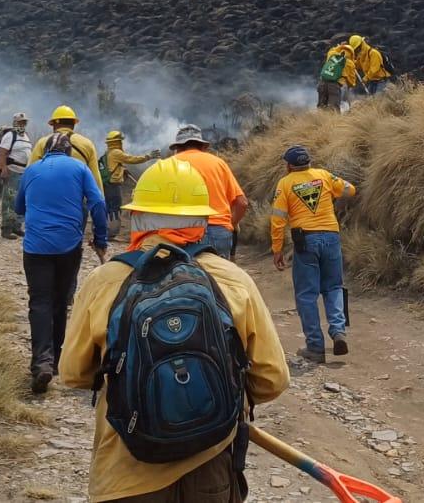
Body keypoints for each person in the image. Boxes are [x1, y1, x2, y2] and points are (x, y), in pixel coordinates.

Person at [60, 158, 289, 502]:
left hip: (126, 472)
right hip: (210, 469)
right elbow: (272, 379)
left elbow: (74, 374)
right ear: (202, 221)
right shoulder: (232, 279)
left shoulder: (103, 281)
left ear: (138, 217)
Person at [14, 132, 109, 395]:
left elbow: (18, 207)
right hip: (68, 246)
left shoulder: (31, 171)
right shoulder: (79, 168)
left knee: (39, 302)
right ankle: (55, 362)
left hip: (35, 248)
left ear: (45, 151)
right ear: (68, 151)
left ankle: (41, 363)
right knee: (60, 301)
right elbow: (98, 202)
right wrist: (100, 236)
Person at [270, 144, 357, 364]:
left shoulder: (285, 183)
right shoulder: (323, 175)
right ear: (308, 162)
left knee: (307, 295)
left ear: (289, 166)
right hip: (331, 237)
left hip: (305, 241)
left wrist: (277, 249)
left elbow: (278, 220)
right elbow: (350, 190)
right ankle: (338, 331)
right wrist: (330, 194)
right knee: (333, 287)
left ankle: (316, 348)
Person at [169, 124, 247, 259]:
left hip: (182, 233)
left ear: (177, 147)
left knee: (184, 277)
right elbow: (242, 203)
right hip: (219, 232)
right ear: (203, 146)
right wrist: (231, 224)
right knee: (221, 278)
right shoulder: (219, 163)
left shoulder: (169, 164)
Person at [30, 105, 105, 192]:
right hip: (78, 200)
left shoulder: (42, 143)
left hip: (48, 197)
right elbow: (95, 179)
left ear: (54, 125)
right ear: (73, 124)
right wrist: (100, 201)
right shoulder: (87, 144)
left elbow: (30, 173)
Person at [102, 129, 156, 239]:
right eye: (120, 141)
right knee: (114, 208)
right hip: (113, 186)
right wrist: (148, 157)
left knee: (109, 207)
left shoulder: (109, 153)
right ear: (117, 142)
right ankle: (111, 232)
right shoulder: (117, 152)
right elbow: (131, 159)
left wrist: (122, 169)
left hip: (108, 185)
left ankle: (106, 231)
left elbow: (113, 166)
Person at [0, 112, 33, 240]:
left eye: (24, 122)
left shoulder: (26, 136)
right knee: (10, 200)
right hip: (13, 171)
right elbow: (2, 152)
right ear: (15, 122)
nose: (22, 124)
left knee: (22, 201)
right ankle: (6, 229)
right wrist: (3, 168)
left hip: (24, 173)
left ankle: (17, 227)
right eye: (20, 122)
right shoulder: (10, 135)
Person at [317, 36, 362, 111]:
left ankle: (319, 121)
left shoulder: (331, 54)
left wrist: (340, 46)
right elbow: (351, 82)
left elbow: (332, 50)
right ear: (352, 53)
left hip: (322, 83)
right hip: (334, 86)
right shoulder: (350, 63)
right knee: (334, 108)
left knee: (321, 107)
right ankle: (333, 122)